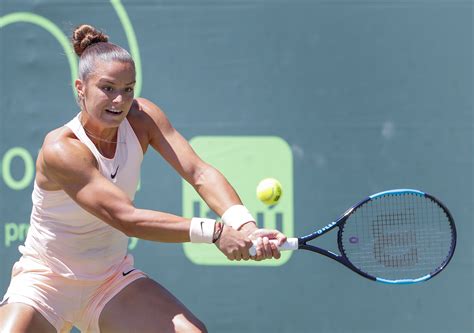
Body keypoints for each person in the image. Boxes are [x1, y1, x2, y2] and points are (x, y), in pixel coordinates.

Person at [0, 24, 287, 333]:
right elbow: (126, 218)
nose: (120, 101)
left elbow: (198, 172)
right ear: (80, 88)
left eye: (128, 89)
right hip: (45, 283)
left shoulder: (142, 118)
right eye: (108, 88)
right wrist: (216, 233)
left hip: (109, 282)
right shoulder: (62, 149)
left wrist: (245, 226)